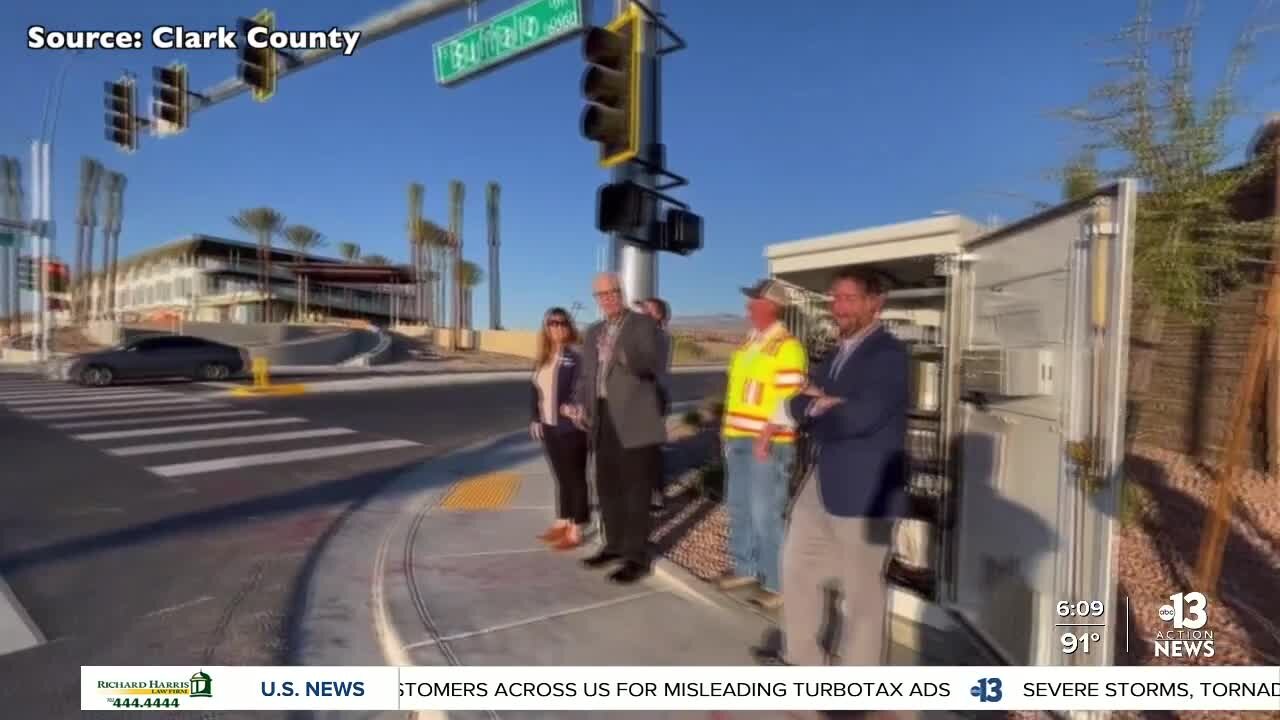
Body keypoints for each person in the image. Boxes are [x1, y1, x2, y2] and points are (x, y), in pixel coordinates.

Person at [762, 267, 909, 668]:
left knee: (861, 596)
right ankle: (804, 667)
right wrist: (815, 403)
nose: (837, 307)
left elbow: (858, 418)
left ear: (875, 304)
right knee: (797, 569)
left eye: (847, 298)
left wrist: (813, 407)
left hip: (869, 492)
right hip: (823, 480)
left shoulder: (889, 355)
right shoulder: (837, 352)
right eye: (834, 298)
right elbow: (801, 400)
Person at [568, 272, 666, 584]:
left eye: (612, 292)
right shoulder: (594, 330)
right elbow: (586, 376)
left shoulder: (643, 324)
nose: (608, 298)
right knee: (607, 484)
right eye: (601, 294)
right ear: (596, 300)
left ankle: (636, 557)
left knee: (636, 490)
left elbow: (653, 364)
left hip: (635, 418)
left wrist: (623, 354)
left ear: (621, 293)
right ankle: (614, 546)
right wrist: (579, 404)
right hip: (602, 416)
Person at [717, 279, 807, 611]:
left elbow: (788, 398)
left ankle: (776, 582)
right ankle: (745, 567)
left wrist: (767, 436)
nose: (747, 308)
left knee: (765, 512)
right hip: (738, 437)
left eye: (753, 302)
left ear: (770, 306)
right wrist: (725, 431)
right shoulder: (748, 344)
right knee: (739, 505)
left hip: (766, 443)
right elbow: (736, 391)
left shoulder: (787, 347)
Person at [530, 307, 590, 550]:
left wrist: (575, 406)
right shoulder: (543, 357)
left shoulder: (576, 356)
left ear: (569, 326)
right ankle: (562, 520)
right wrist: (535, 417)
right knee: (562, 477)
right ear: (546, 328)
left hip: (571, 428)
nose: (557, 327)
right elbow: (534, 389)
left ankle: (577, 527)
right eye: (552, 323)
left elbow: (585, 386)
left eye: (562, 322)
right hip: (549, 427)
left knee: (576, 479)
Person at [642, 297, 673, 510]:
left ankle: (655, 496)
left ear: (659, 315)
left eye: (647, 310)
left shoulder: (659, 337)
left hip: (652, 396)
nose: (642, 314)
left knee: (650, 449)